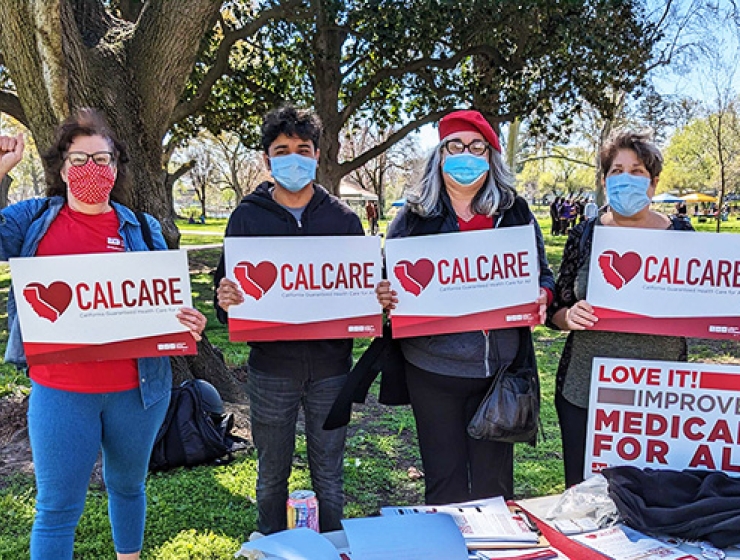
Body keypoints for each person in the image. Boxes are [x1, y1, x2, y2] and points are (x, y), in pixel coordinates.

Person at [0, 109, 206, 560]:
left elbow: (163, 301)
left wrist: (188, 321)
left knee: (129, 487)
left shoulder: (143, 228)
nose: (92, 169)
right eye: (79, 160)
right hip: (61, 391)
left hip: (138, 391)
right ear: (61, 167)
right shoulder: (33, 220)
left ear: (116, 166)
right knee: (56, 510)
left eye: (102, 159)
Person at [376, 109, 554, 505]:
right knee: (444, 484)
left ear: (491, 157)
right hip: (432, 372)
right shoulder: (412, 218)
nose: (466, 154)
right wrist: (385, 297)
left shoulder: (514, 212)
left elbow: (543, 273)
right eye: (455, 145)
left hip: (498, 374)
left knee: (495, 490)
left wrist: (544, 295)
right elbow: (389, 281)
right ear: (440, 155)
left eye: (477, 147)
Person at [214, 106, 363, 534]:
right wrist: (225, 298)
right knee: (270, 477)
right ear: (266, 159)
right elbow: (226, 294)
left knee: (330, 477)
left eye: (303, 149)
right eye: (282, 150)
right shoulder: (247, 216)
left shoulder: (343, 219)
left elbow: (362, 289)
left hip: (332, 369)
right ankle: (272, 545)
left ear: (317, 155)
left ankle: (335, 545)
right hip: (271, 370)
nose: (293, 157)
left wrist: (377, 296)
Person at [545, 130, 693, 488]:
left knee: (652, 498)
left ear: (653, 183)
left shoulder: (683, 235)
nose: (626, 178)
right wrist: (568, 317)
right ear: (604, 180)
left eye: (637, 170)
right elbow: (556, 311)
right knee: (585, 498)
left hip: (660, 396)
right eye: (617, 170)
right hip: (585, 390)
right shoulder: (583, 234)